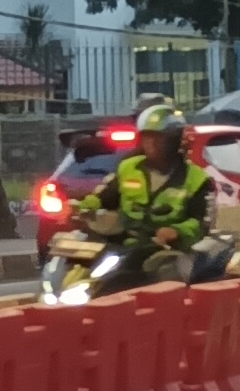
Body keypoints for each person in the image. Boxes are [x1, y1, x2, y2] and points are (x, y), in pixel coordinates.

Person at [95, 105, 223, 281]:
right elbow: (103, 200)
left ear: (174, 140)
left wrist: (175, 231)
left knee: (166, 275)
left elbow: (202, 223)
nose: (151, 143)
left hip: (171, 252)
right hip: (126, 248)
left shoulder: (197, 179)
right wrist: (83, 208)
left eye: (159, 138)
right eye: (147, 137)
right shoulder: (128, 168)